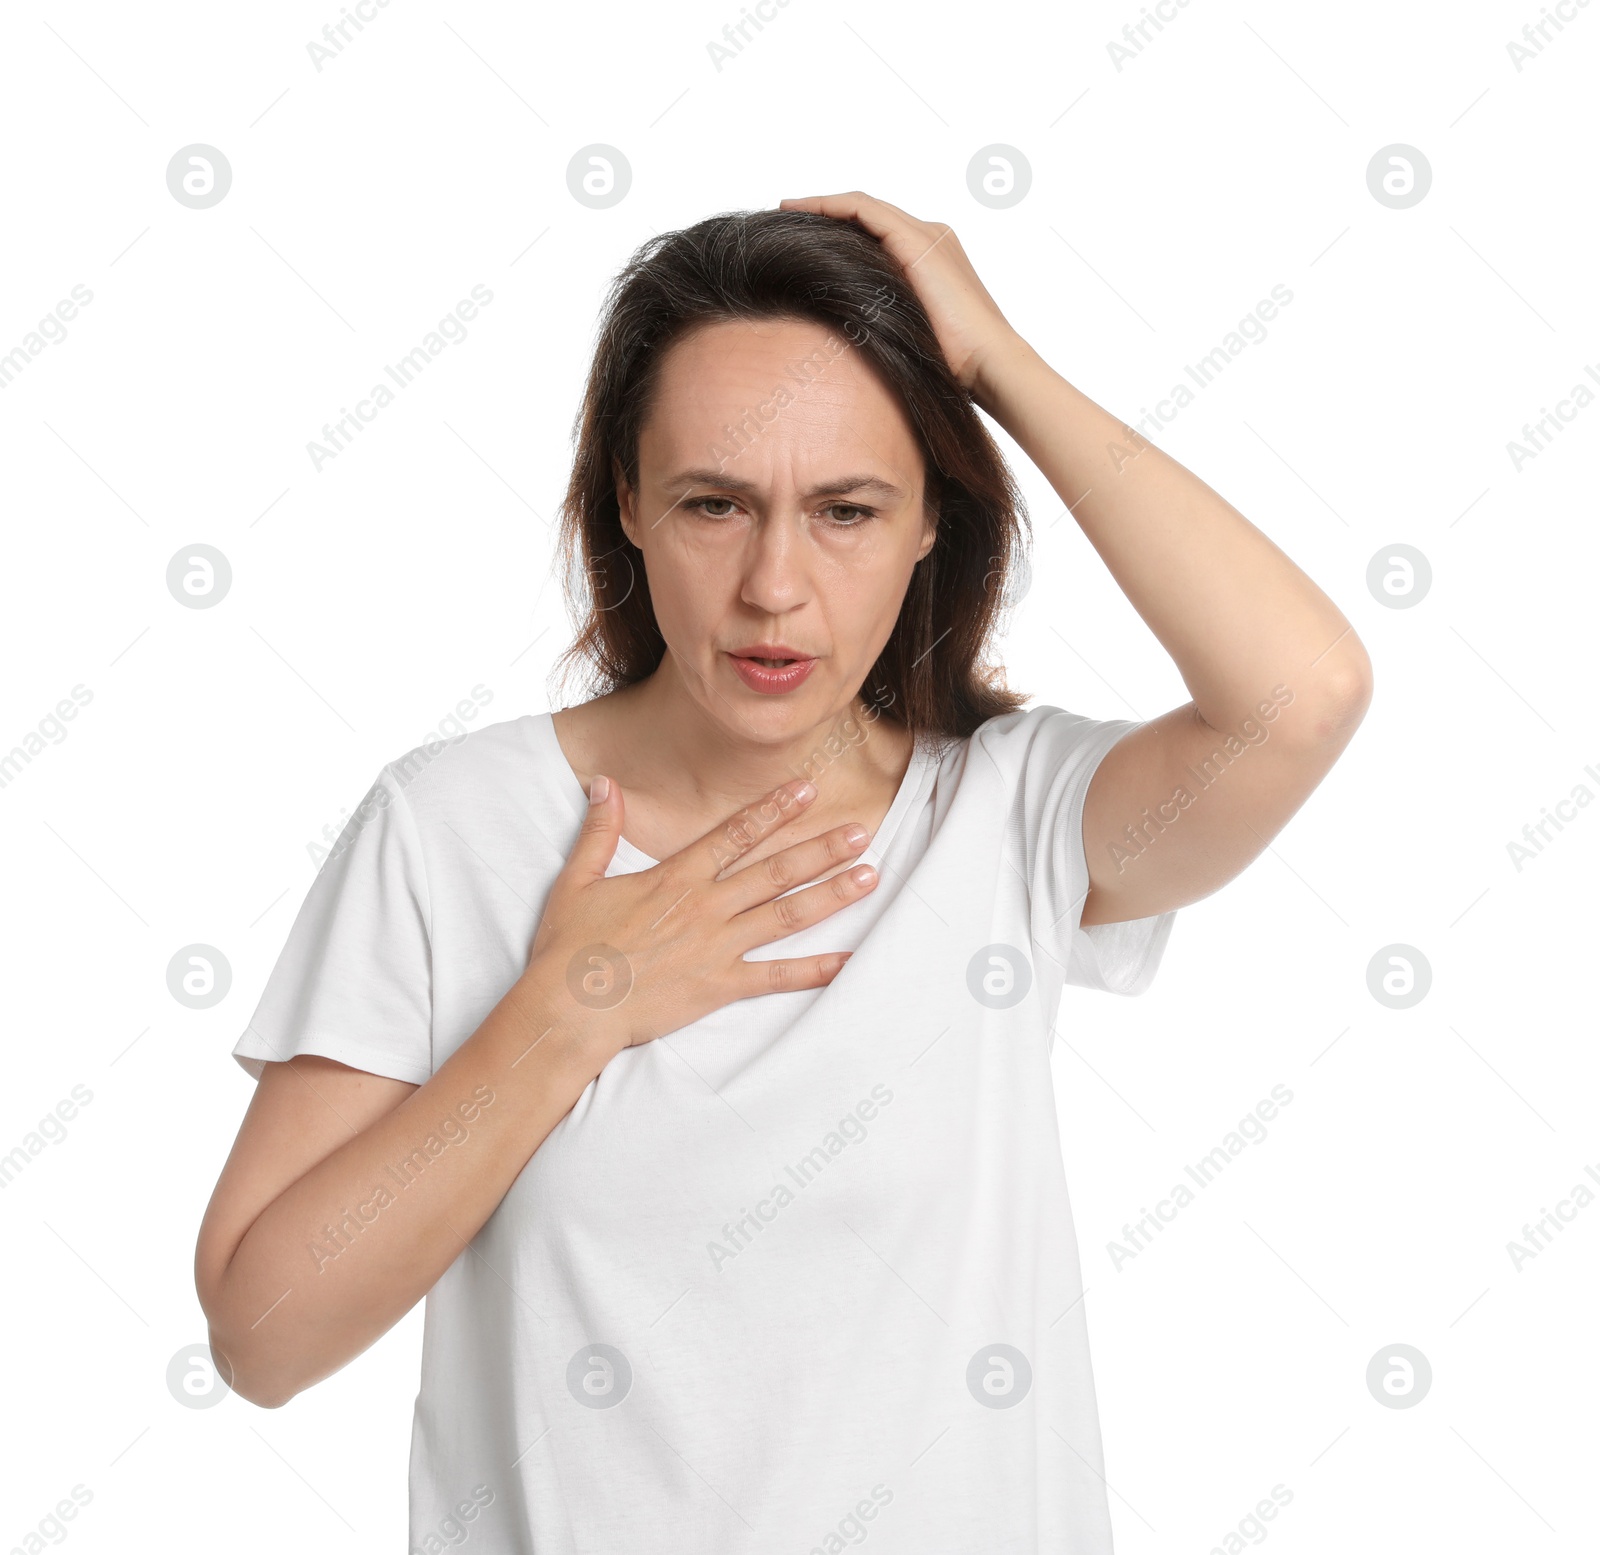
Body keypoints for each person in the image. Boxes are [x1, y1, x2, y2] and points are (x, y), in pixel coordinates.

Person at [195, 191, 1372, 1554]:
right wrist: (568, 1011)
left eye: (848, 510)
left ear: (934, 520)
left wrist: (998, 362)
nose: (774, 586)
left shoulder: (1009, 818)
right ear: (625, 503)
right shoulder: (450, 829)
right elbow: (260, 1336)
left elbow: (1305, 691)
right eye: (715, 503)